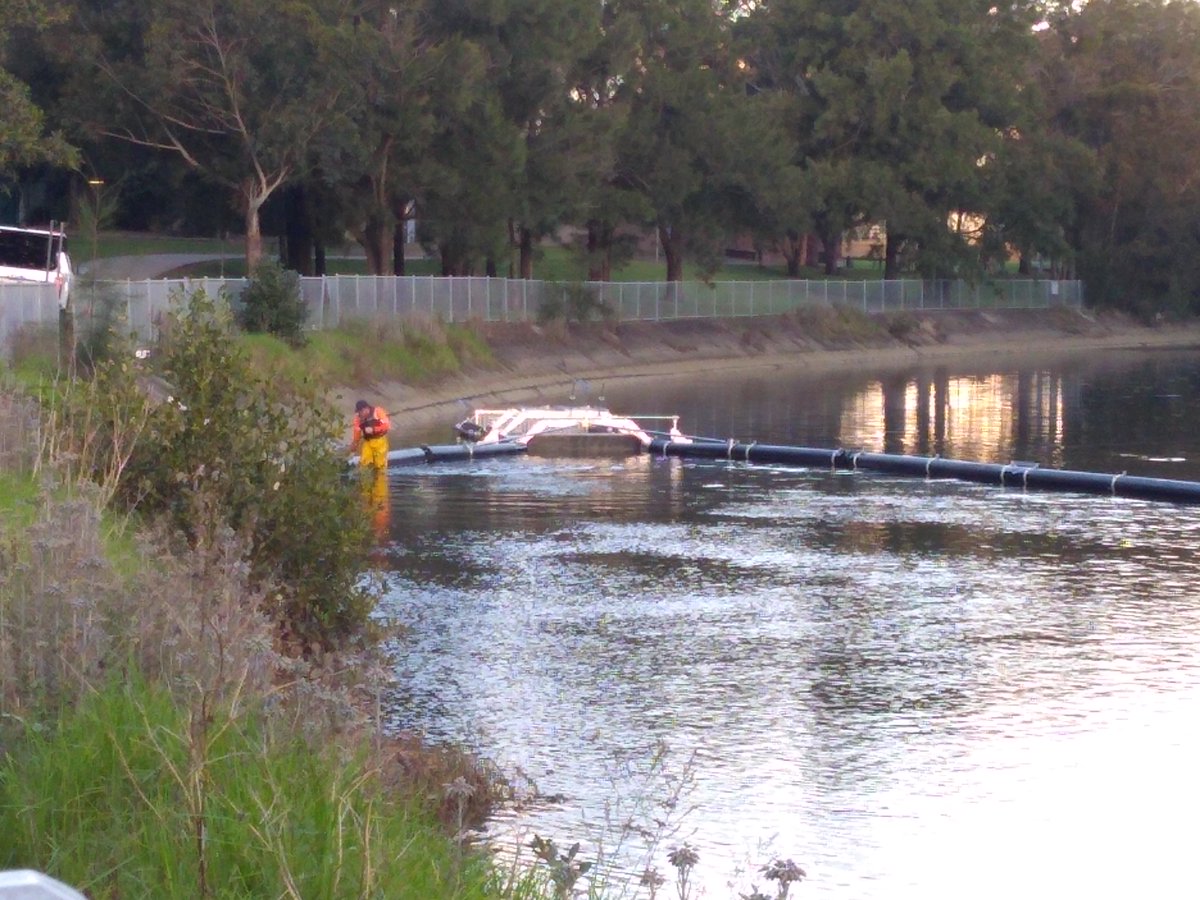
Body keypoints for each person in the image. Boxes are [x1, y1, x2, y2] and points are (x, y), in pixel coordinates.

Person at [351, 399, 391, 470]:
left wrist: (374, 429)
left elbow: (386, 425)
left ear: (366, 409)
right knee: (364, 464)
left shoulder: (377, 412)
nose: (360, 414)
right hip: (368, 442)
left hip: (380, 442)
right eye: (358, 412)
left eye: (361, 412)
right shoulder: (358, 418)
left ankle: (380, 478)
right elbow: (357, 432)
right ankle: (365, 479)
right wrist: (355, 443)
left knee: (380, 465)